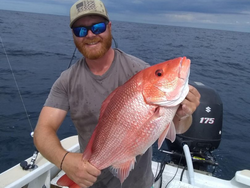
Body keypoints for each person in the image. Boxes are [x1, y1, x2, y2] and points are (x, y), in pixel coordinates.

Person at [33, 0, 201, 187]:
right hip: (91, 182)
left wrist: (184, 114)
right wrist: (66, 161)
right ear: (73, 36)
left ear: (109, 27)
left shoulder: (139, 71)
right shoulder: (66, 81)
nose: (90, 35)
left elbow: (179, 127)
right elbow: (42, 131)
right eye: (80, 30)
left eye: (98, 27)